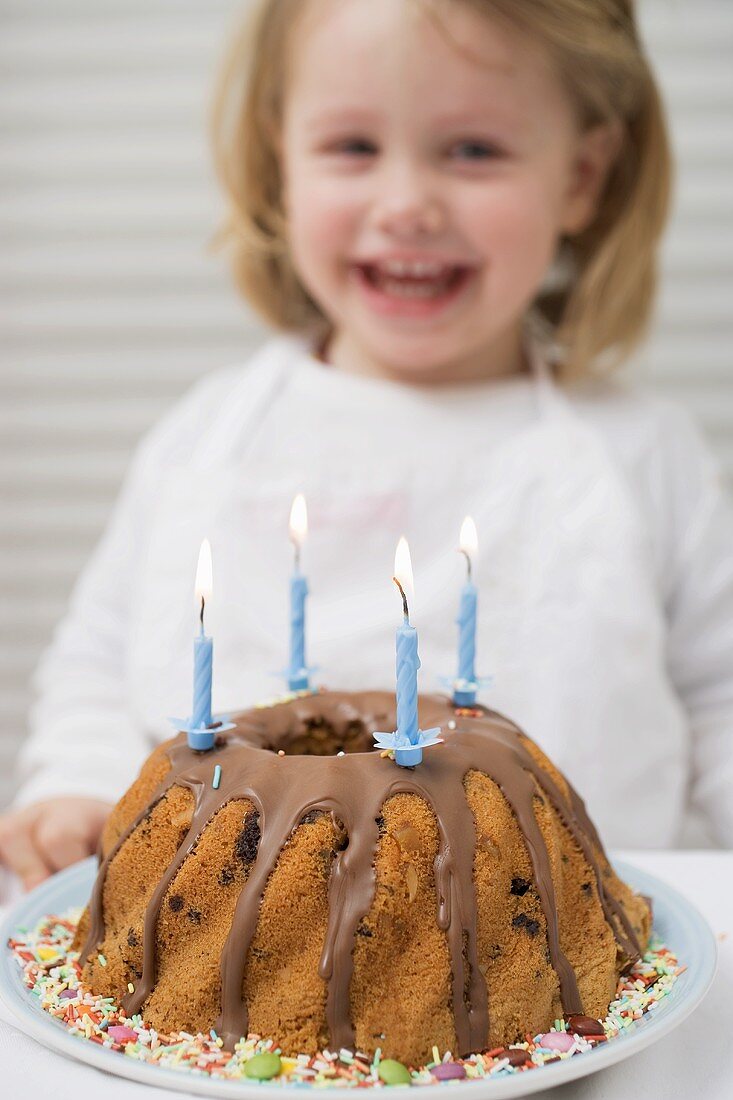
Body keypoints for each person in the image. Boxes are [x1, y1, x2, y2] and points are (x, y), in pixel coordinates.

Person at [1, 0, 732, 891]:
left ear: (581, 176)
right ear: (281, 165)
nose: (407, 205)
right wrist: (73, 784)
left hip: (572, 953)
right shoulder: (210, 436)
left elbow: (720, 696)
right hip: (227, 945)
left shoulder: (640, 454)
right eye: (352, 147)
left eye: (473, 150)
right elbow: (100, 658)